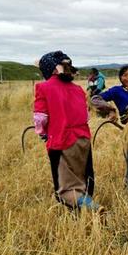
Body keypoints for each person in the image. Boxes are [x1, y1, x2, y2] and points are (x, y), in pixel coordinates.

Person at [33, 51, 102, 211]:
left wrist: (42, 132)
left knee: (64, 190)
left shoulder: (43, 87)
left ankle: (94, 208)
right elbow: (85, 116)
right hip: (83, 139)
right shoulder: (78, 89)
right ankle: (82, 213)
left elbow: (40, 118)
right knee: (83, 177)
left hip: (61, 141)